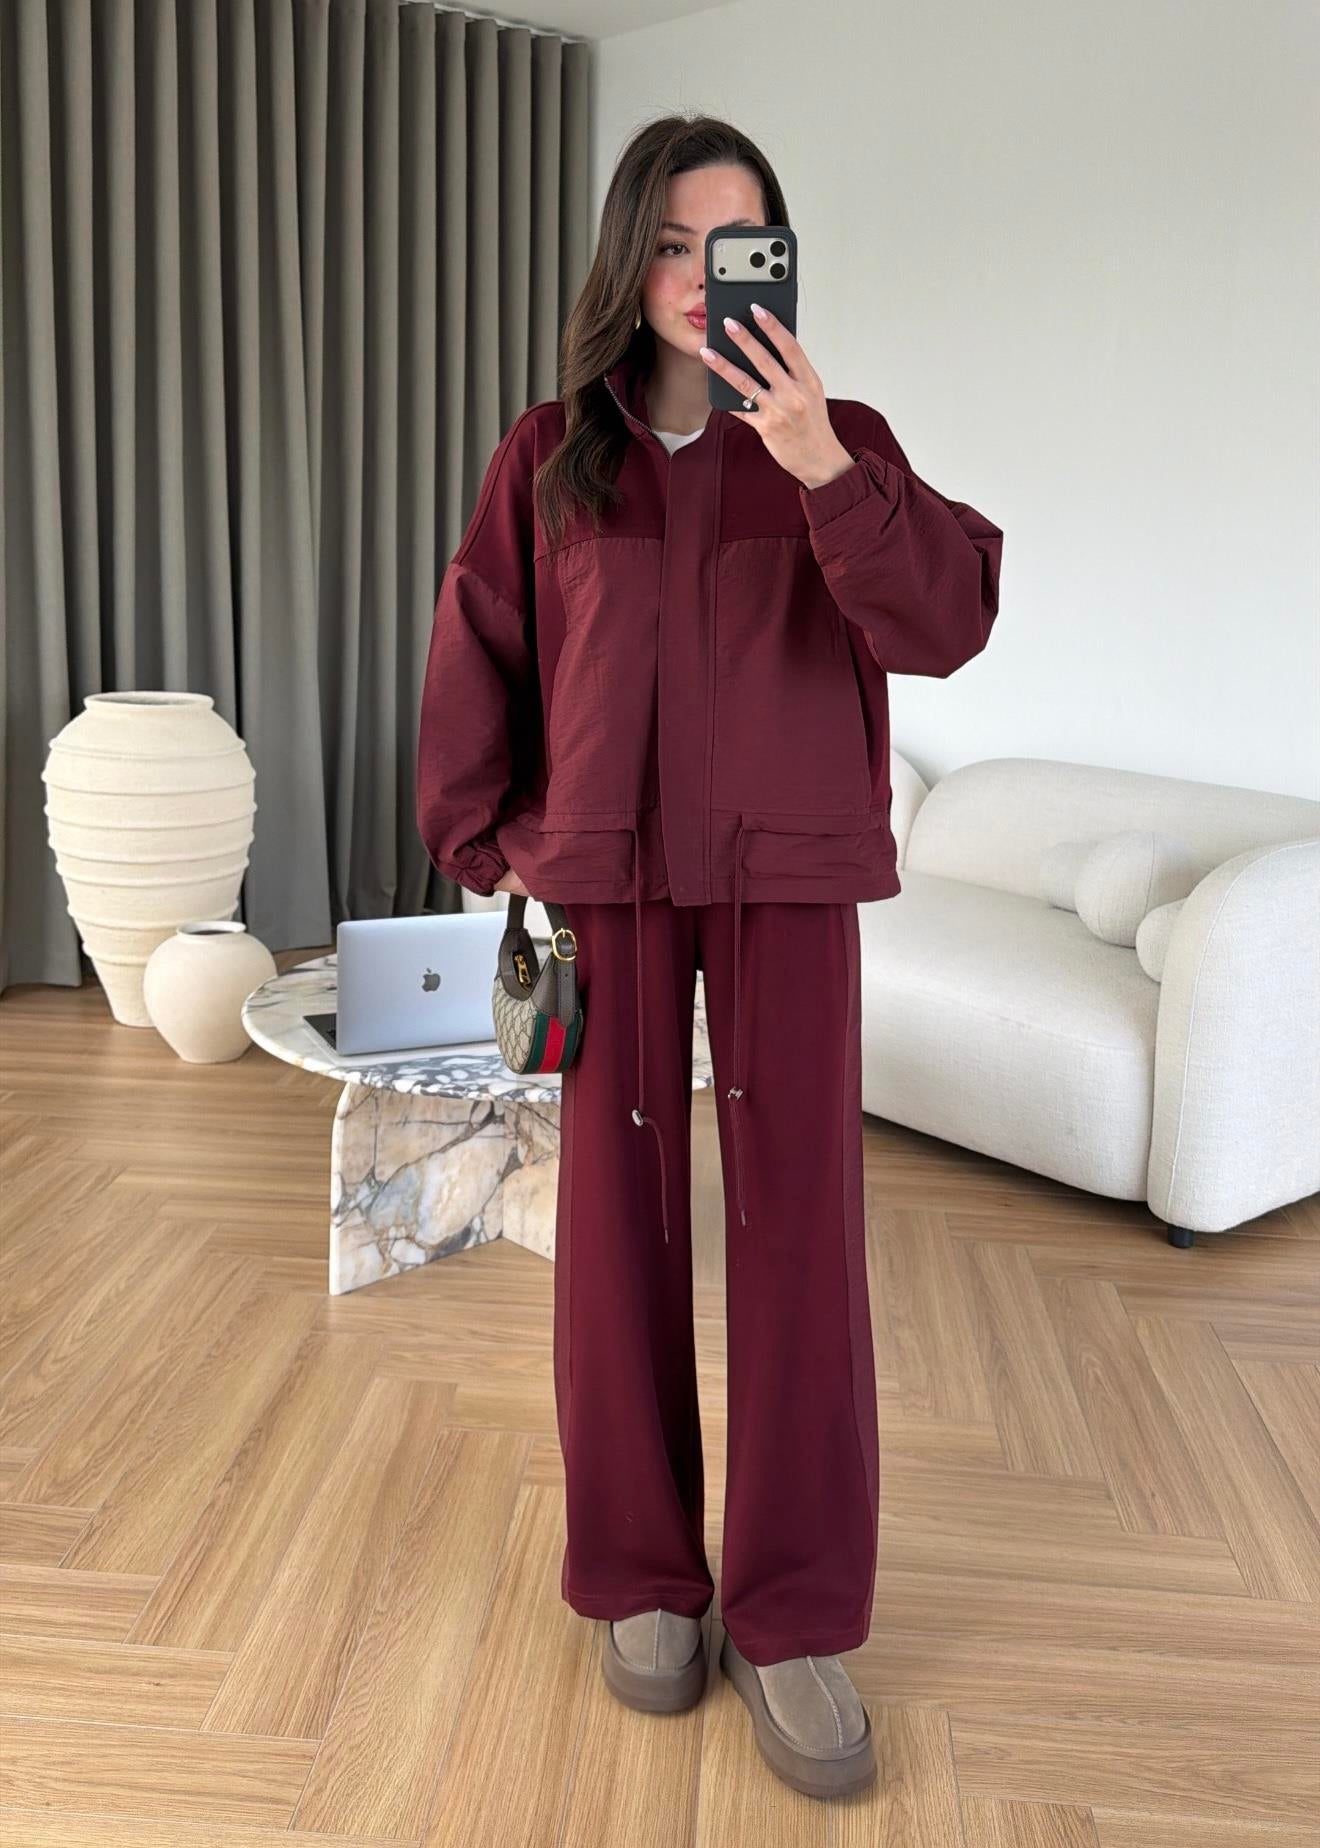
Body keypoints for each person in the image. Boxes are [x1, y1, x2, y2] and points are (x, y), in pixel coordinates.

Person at [417, 112, 1003, 1802]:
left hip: (788, 885)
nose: (700, 277)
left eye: (736, 245)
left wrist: (821, 464)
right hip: (609, 880)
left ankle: (797, 1614)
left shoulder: (843, 441)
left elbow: (947, 621)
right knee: (612, 1238)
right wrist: (488, 837)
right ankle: (643, 1577)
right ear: (630, 258)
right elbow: (482, 637)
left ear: (780, 265)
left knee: (804, 1239)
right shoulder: (551, 454)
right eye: (673, 244)